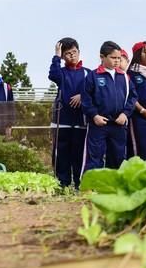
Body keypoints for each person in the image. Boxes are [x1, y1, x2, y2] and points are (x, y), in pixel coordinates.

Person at [81, 41, 137, 173]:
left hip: (118, 124)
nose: (117, 61)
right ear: (102, 57)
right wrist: (94, 115)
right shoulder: (93, 76)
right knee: (95, 157)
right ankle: (90, 188)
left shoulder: (124, 76)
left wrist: (125, 114)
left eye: (119, 58)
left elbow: (133, 97)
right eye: (113, 58)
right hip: (99, 124)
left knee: (118, 158)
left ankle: (114, 189)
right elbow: (86, 99)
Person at [49, 38, 89, 188]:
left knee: (79, 154)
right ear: (63, 56)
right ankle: (63, 183)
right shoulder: (61, 72)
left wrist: (82, 96)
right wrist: (56, 56)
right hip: (62, 120)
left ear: (79, 52)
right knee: (62, 154)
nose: (72, 56)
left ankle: (80, 184)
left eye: (74, 52)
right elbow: (53, 75)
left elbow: (94, 91)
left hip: (81, 121)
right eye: (67, 54)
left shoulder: (88, 73)